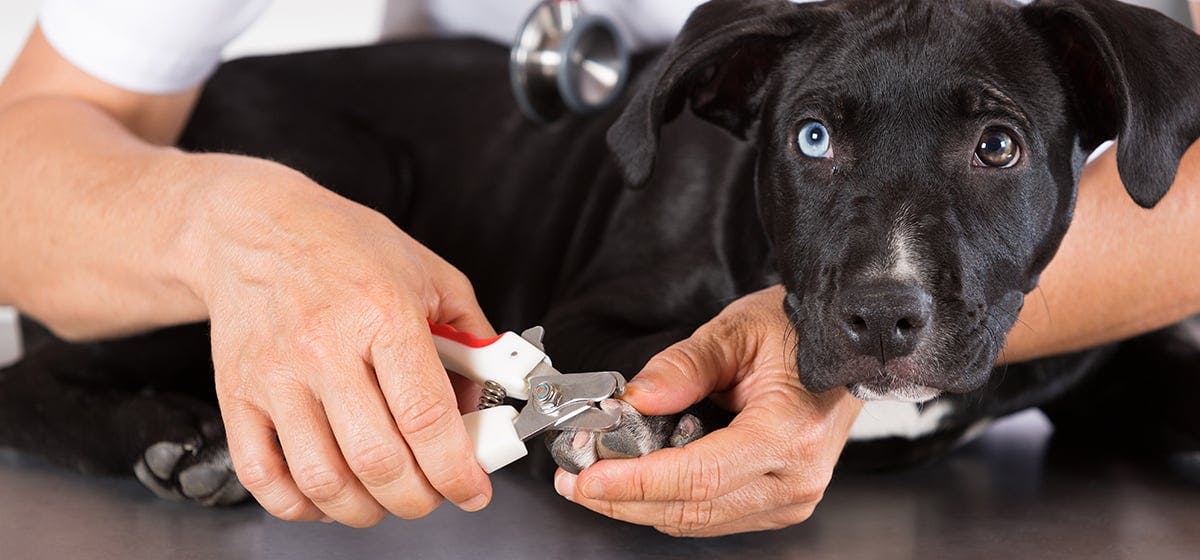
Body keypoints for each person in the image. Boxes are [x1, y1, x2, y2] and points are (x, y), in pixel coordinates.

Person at [0, 0, 1197, 537]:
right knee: (234, 246)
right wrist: (240, 225)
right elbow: (29, 156)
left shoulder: (1079, 261)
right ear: (721, 102)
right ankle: (45, 400)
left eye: (995, 145)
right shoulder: (688, 219)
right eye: (819, 139)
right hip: (338, 143)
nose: (894, 277)